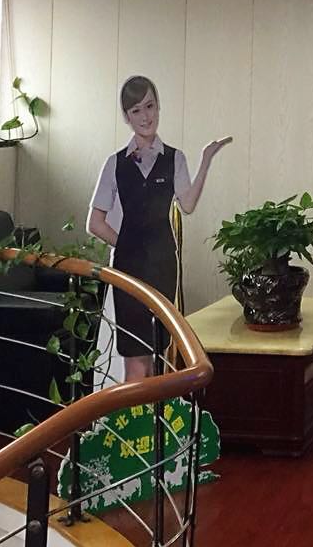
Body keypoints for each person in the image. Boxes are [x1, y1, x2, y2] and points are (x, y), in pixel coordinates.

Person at [88, 75, 230, 383]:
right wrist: (127, 246)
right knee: (134, 360)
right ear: (127, 116)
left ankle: (155, 412)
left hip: (164, 265)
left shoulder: (174, 158)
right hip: (129, 270)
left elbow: (187, 204)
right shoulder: (114, 163)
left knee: (158, 353)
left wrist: (206, 160)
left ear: (158, 107)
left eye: (150, 106)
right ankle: (134, 413)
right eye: (136, 110)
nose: (145, 116)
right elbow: (95, 223)